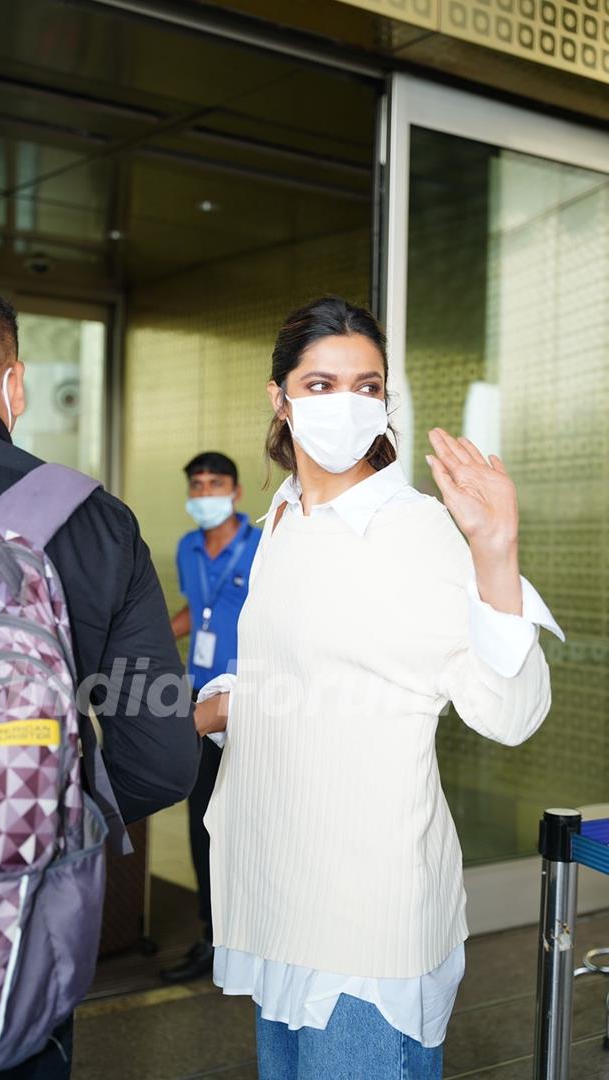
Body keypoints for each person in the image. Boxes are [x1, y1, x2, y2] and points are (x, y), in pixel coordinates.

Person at [194, 296, 564, 1079]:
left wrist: (494, 552)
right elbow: (300, 671)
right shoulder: (281, 518)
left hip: (367, 916)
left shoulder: (414, 527)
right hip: (278, 891)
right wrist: (219, 706)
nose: (347, 405)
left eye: (367, 386)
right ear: (280, 399)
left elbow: (511, 711)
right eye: (321, 385)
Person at [0, 280, 201, 1079]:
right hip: (10, 961)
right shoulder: (96, 521)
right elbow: (163, 756)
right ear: (14, 384)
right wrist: (42, 815)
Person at [162, 452, 261, 983]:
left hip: (251, 698)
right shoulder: (187, 547)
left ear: (236, 492)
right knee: (202, 818)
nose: (205, 493)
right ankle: (211, 935)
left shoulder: (264, 548)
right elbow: (193, 609)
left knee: (249, 818)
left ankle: (253, 931)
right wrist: (148, 637)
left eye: (214, 484)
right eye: (196, 484)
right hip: (199, 696)